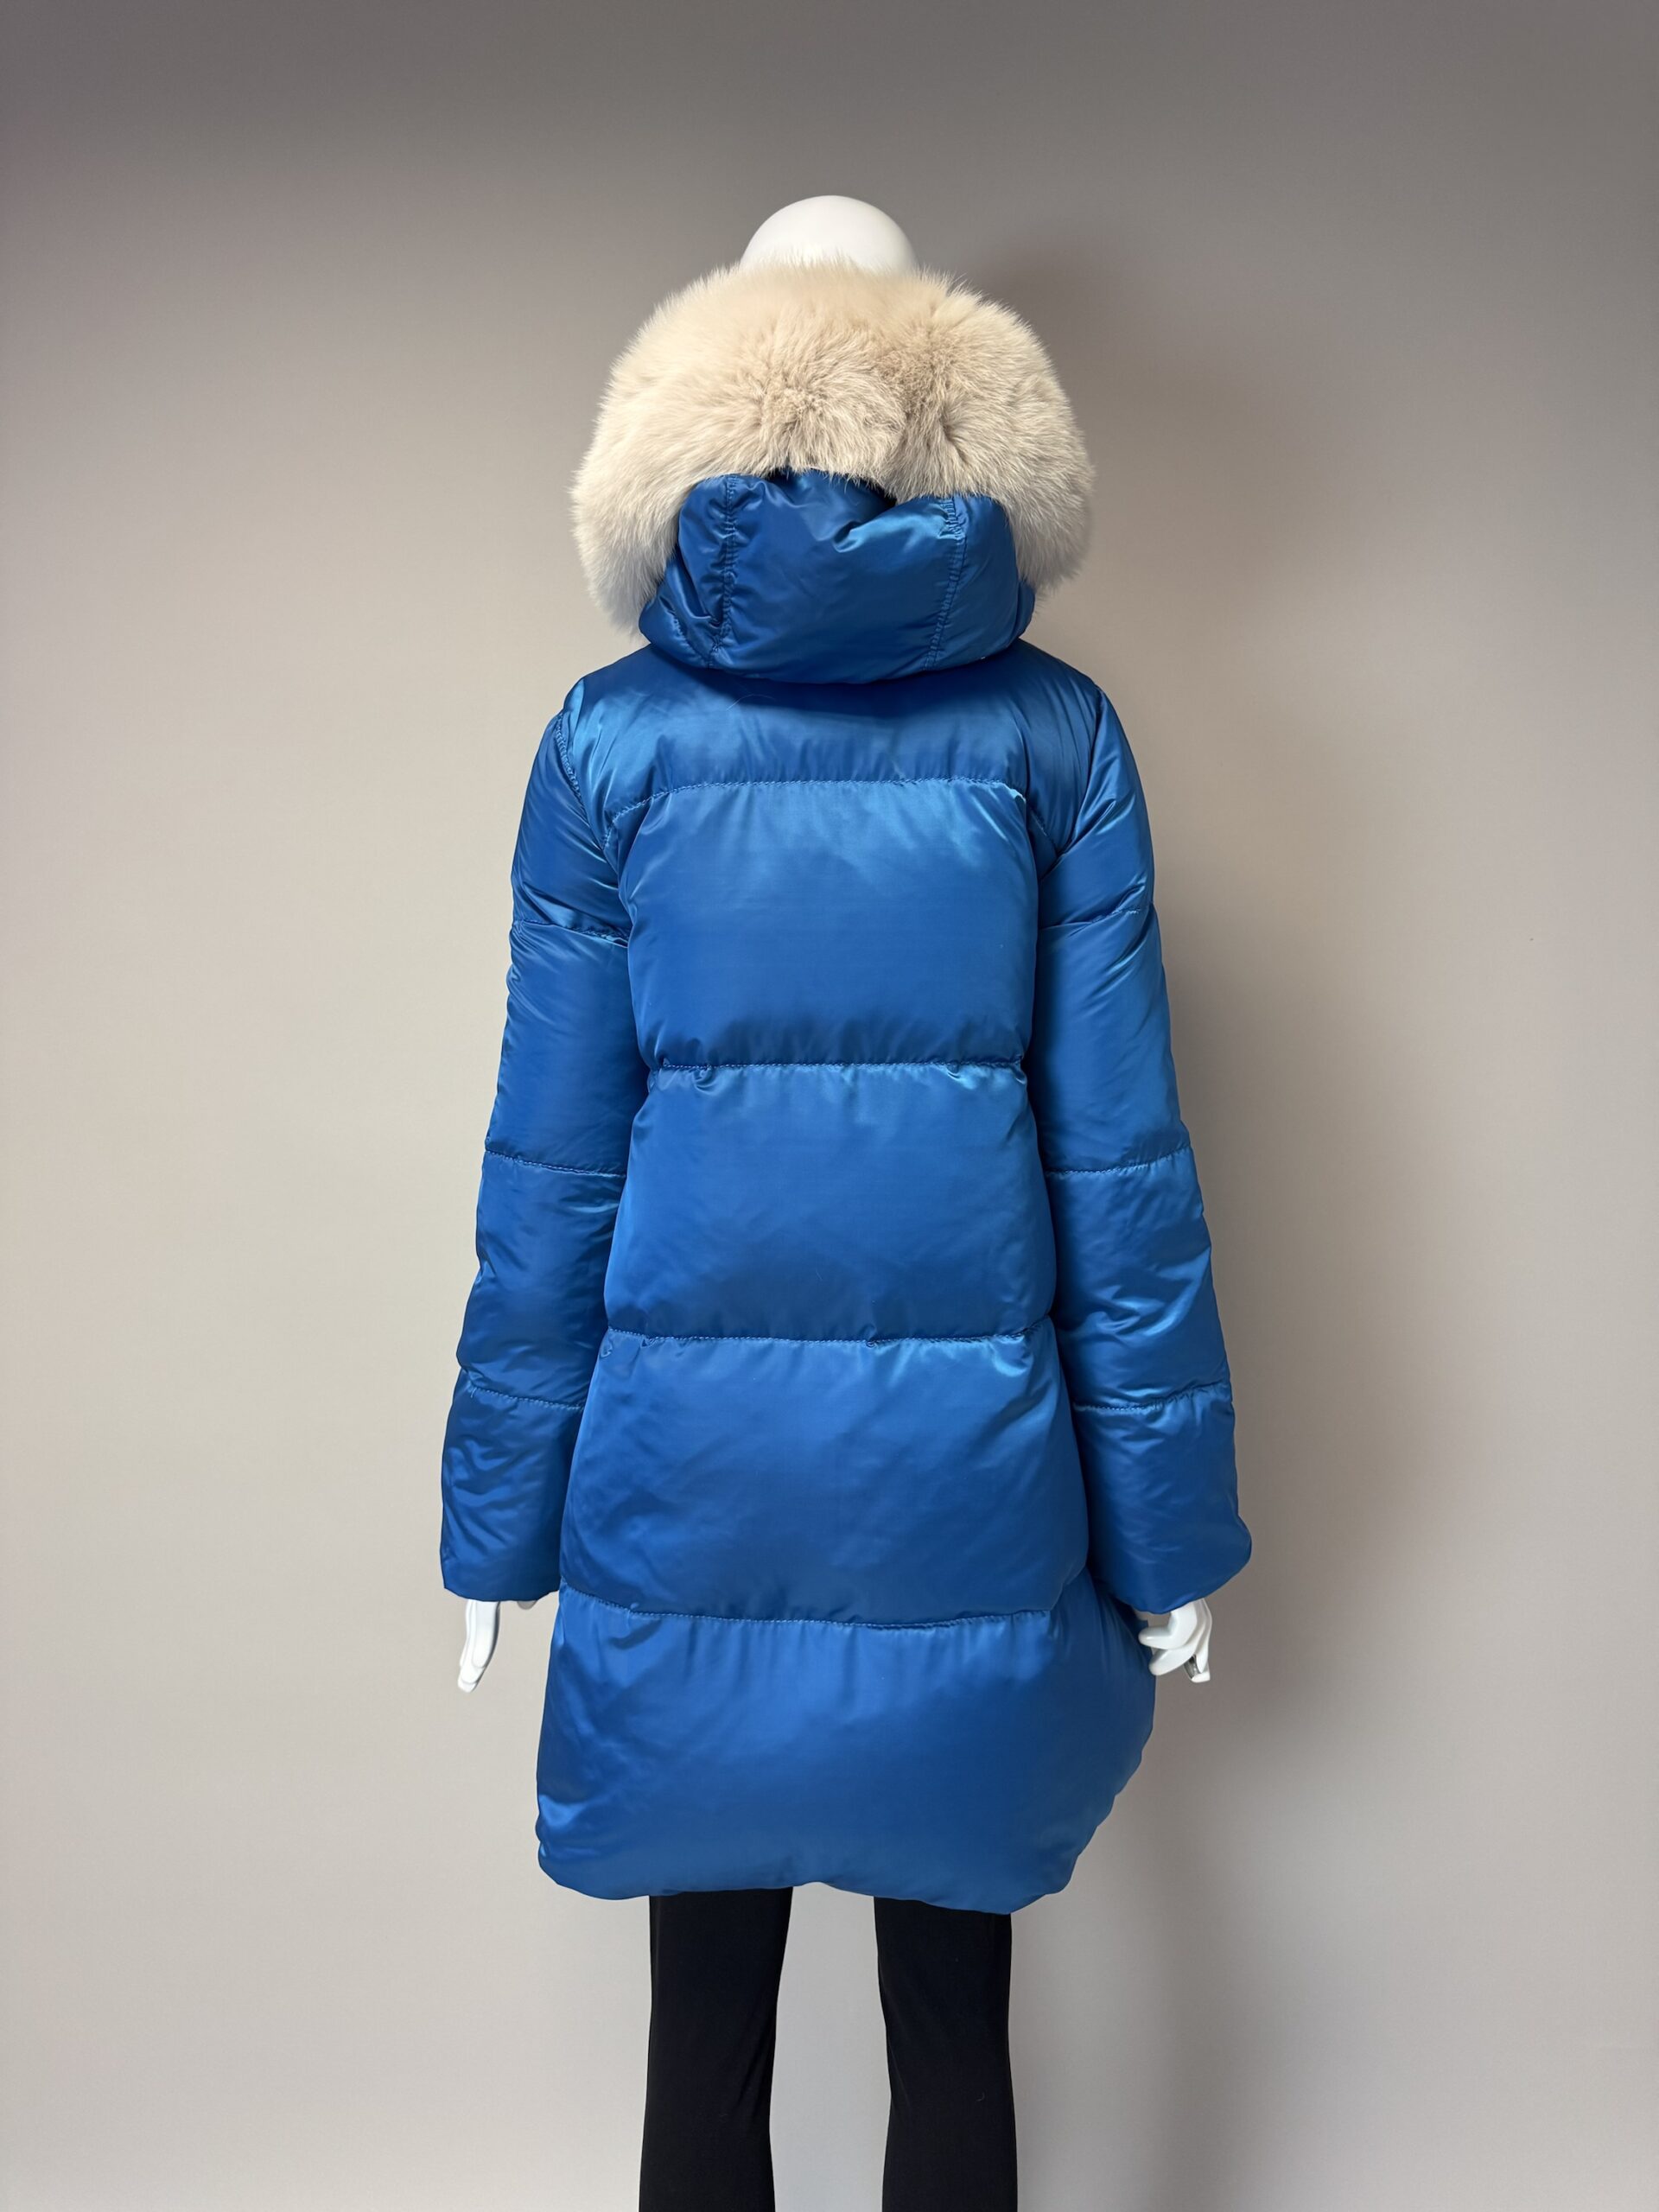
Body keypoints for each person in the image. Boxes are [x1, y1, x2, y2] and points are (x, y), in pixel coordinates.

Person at [439, 197, 1251, 2210]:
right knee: (953, 2006)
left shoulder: (610, 742)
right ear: (955, 420)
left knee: (701, 2013)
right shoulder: (1051, 734)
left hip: (684, 1479)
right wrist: (1166, 1532)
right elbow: (1120, 1164)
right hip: (965, 1479)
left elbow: (552, 1166)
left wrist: (498, 1524)